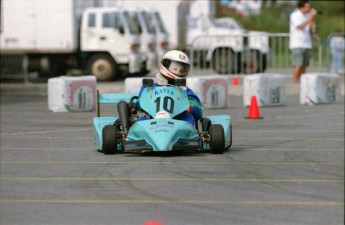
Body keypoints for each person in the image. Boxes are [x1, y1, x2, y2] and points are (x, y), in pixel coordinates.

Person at [135, 50, 202, 125]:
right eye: (175, 68)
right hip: (153, 122)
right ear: (165, 65)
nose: (179, 72)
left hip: (177, 122)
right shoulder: (149, 87)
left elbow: (198, 110)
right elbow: (138, 105)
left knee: (189, 119)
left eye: (182, 70)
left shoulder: (184, 90)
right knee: (140, 122)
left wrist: (189, 108)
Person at [289, 0, 318, 84]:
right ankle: (294, 82)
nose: (309, 9)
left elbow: (313, 30)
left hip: (307, 44)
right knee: (298, 64)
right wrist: (310, 17)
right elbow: (301, 26)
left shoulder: (308, 16)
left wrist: (312, 19)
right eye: (307, 7)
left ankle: (303, 83)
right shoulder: (295, 15)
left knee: (304, 66)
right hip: (297, 44)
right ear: (301, 7)